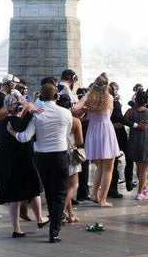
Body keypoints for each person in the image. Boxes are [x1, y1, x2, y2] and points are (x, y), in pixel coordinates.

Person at [9, 83, 72, 243]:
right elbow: (67, 133)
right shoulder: (66, 113)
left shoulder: (37, 114)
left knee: (49, 192)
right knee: (60, 194)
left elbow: (25, 137)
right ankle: (55, 230)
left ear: (41, 97)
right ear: (56, 96)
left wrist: (13, 132)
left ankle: (53, 221)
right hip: (60, 155)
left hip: (42, 157)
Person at [0, 75, 45, 235]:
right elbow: (27, 135)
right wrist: (32, 109)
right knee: (34, 189)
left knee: (14, 197)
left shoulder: (2, 124)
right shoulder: (22, 122)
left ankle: (16, 228)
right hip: (23, 161)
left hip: (4, 162)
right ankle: (40, 218)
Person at [73, 82, 120, 205]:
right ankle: (103, 199)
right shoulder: (109, 98)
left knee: (100, 166)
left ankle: (94, 194)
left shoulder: (89, 99)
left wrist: (87, 97)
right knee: (108, 167)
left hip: (93, 131)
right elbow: (109, 114)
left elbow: (75, 109)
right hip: (105, 130)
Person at [125, 90, 148, 200]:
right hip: (146, 140)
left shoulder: (130, 111)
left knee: (138, 166)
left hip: (134, 141)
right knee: (144, 169)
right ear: (146, 101)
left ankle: (142, 189)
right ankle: (140, 193)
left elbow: (125, 122)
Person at [60, 93, 85, 224]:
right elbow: (80, 141)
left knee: (65, 185)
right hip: (71, 154)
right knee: (72, 186)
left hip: (58, 152)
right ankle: (61, 211)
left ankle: (70, 214)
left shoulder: (57, 118)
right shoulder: (75, 121)